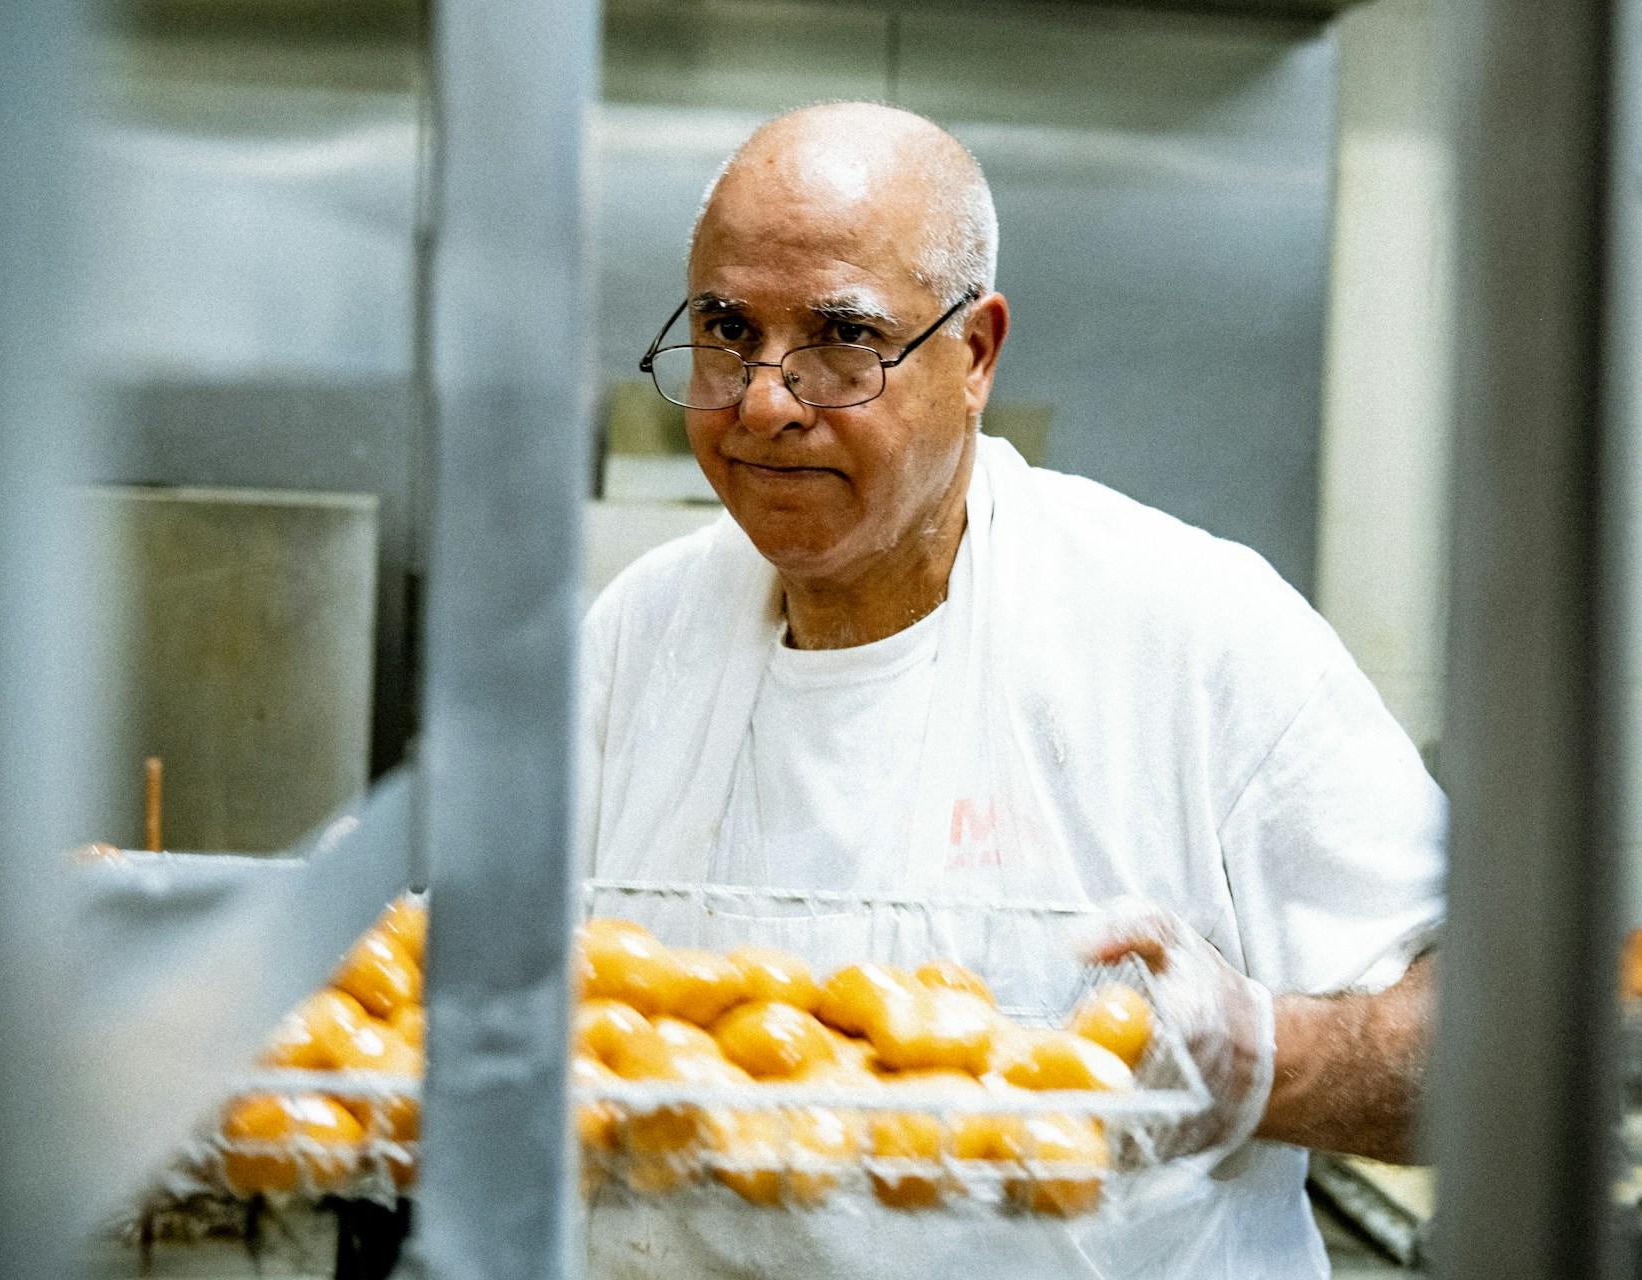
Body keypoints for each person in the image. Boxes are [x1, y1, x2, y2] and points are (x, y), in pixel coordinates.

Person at [578, 101, 1444, 1279]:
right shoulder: (639, 632)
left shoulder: (1188, 628)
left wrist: (1265, 1057)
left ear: (974, 355)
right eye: (728, 328)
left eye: (842, 335)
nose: (767, 399)